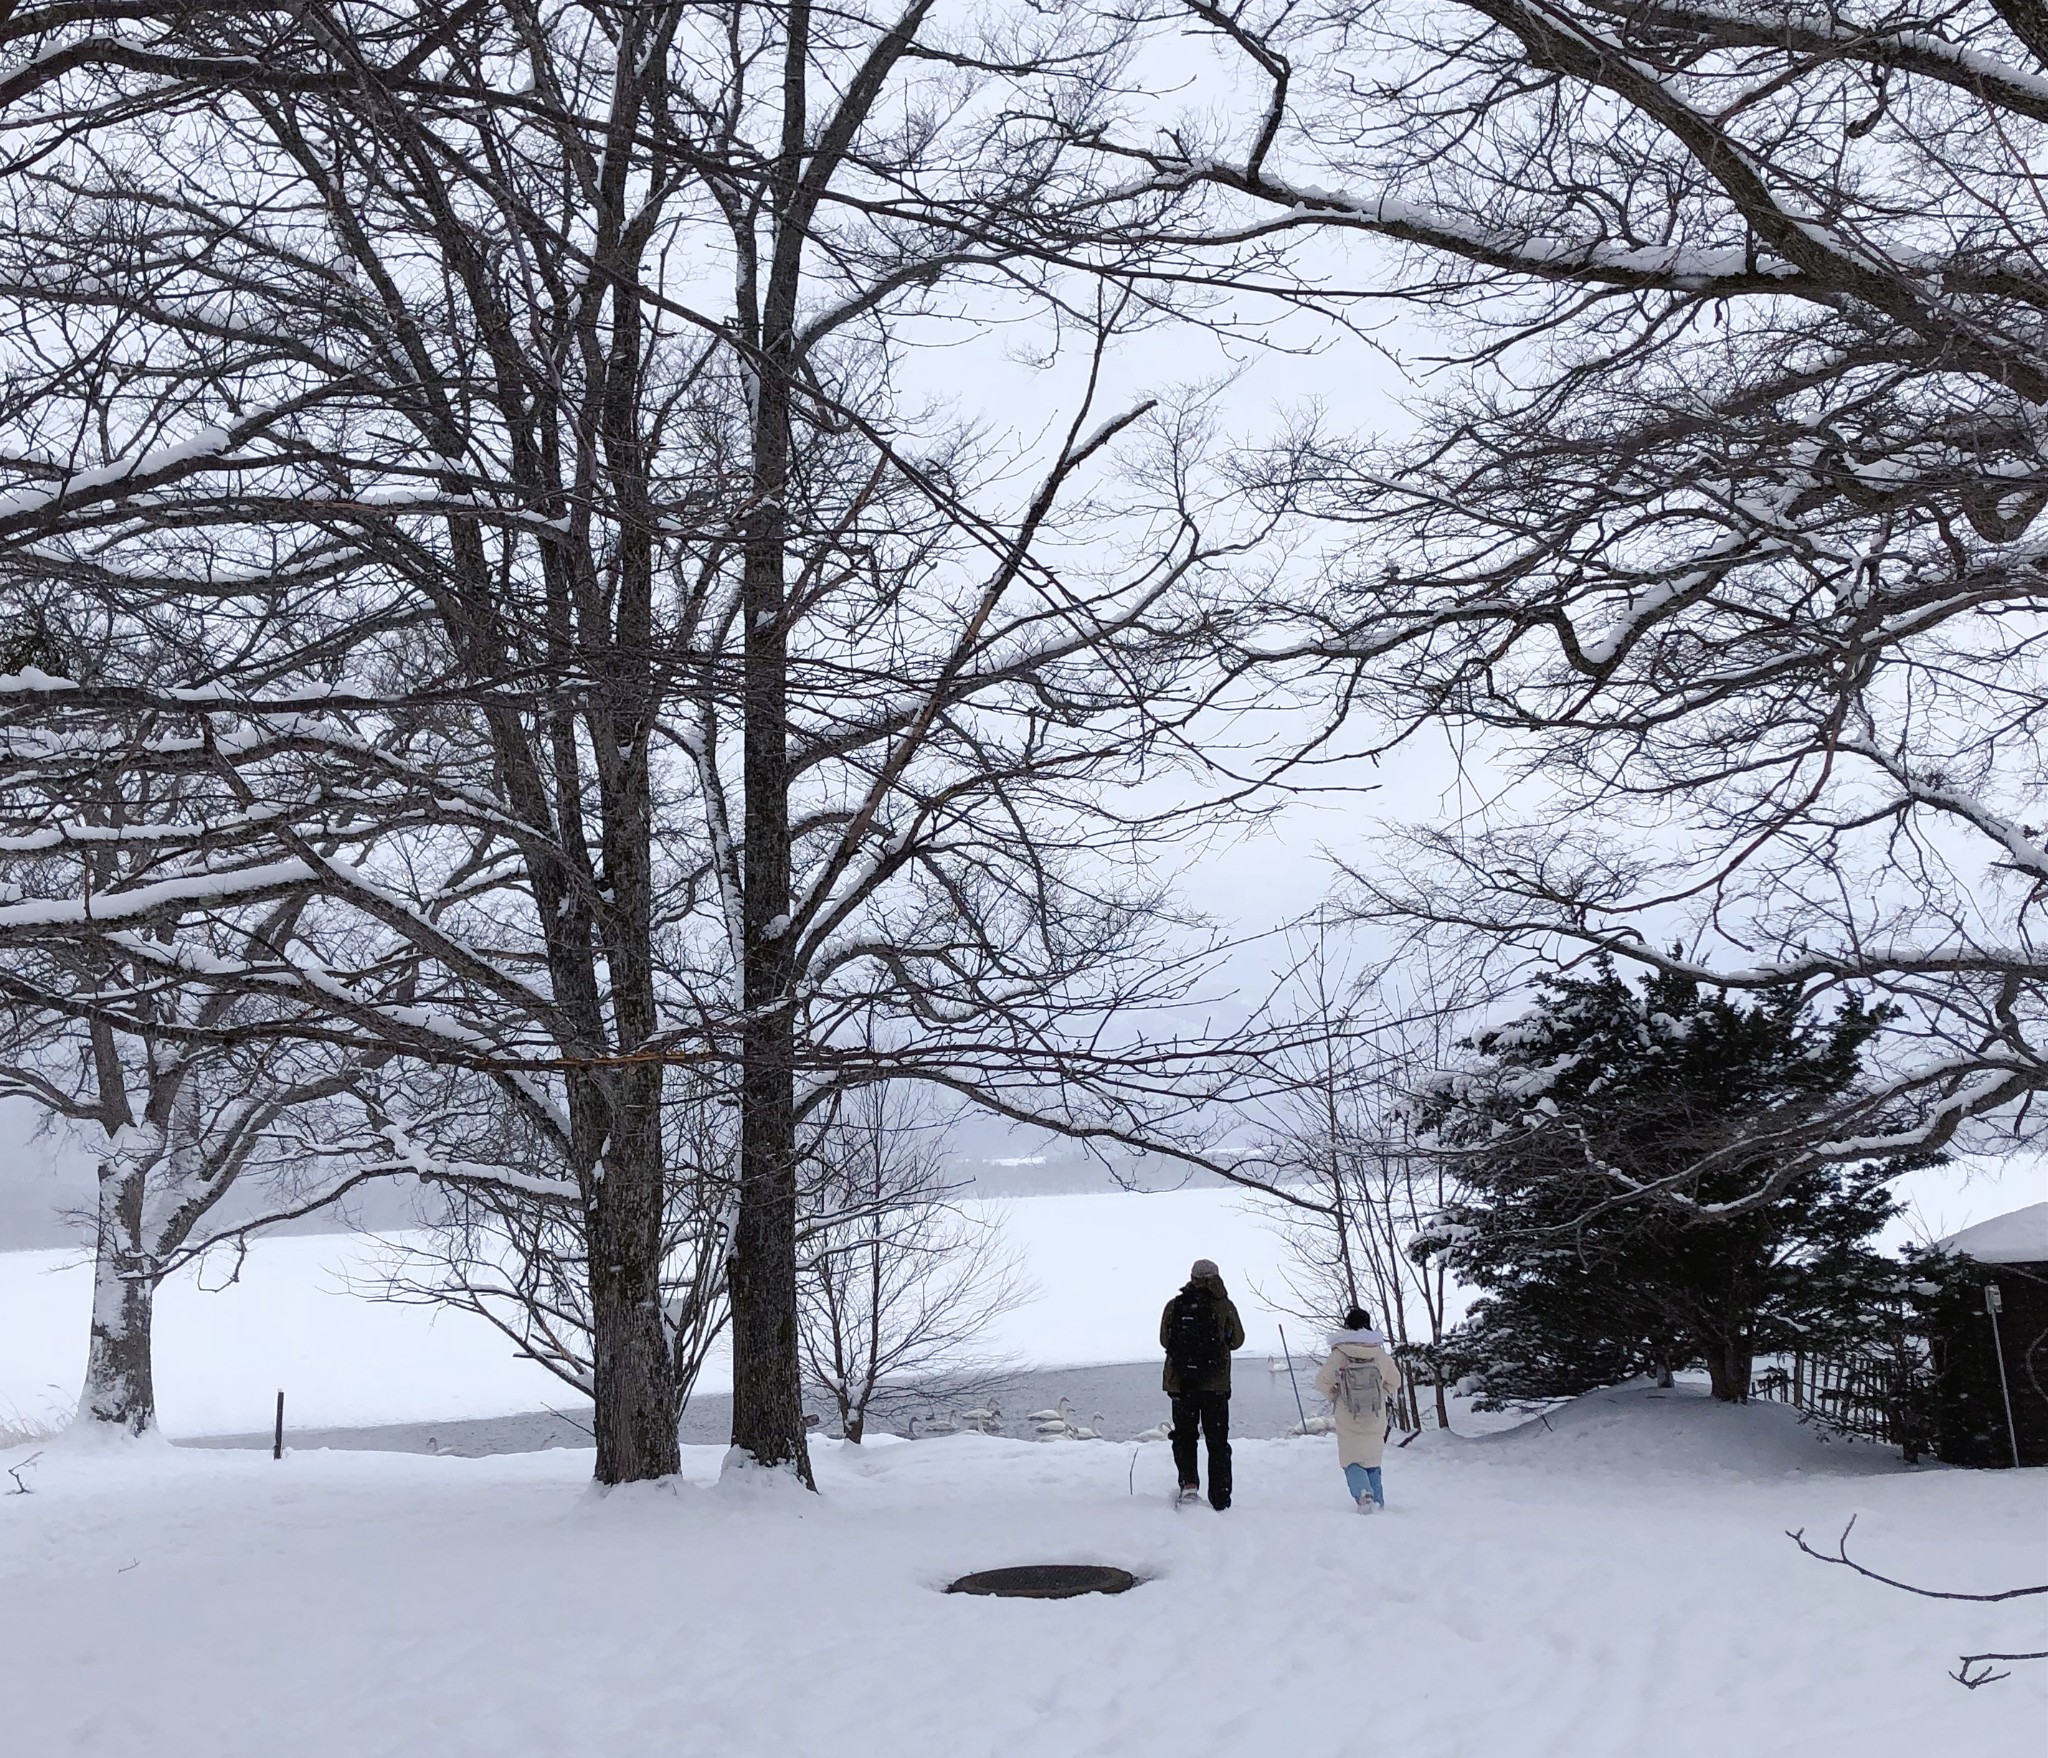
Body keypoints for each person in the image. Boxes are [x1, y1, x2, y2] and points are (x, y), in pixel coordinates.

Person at [1160, 1257, 1246, 1510]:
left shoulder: (1175, 1305)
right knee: (1217, 1441)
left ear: (1192, 1277)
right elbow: (1238, 1340)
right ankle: (1220, 1498)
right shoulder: (1225, 1306)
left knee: (1185, 1437)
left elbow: (1165, 1340)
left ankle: (1188, 1486)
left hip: (1182, 1384)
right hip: (1215, 1385)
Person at [1313, 1306, 1403, 1514]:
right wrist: (1382, 1394)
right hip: (1375, 1412)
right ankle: (1378, 1501)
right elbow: (1395, 1381)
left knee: (1351, 1459)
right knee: (1372, 1459)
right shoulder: (1379, 1354)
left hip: (1348, 1414)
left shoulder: (1340, 1354)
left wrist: (1337, 1396)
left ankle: (1363, 1494)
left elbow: (1321, 1382)